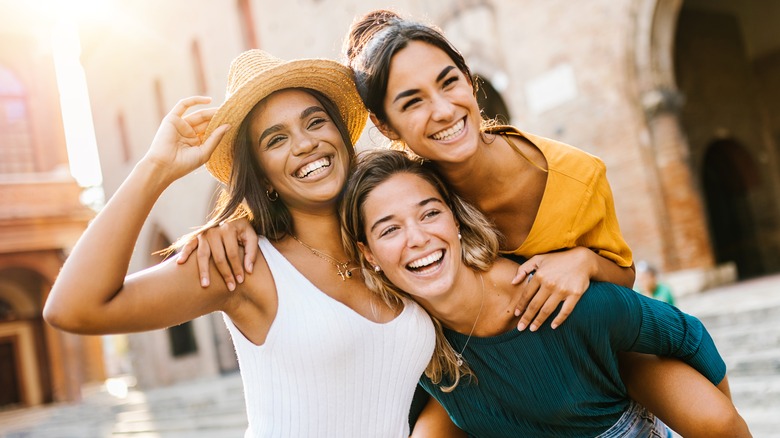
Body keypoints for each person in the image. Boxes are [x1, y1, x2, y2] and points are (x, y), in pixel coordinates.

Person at [186, 9, 749, 436]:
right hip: (470, 366)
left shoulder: (574, 176)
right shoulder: (408, 184)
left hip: (584, 353)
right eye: (411, 101)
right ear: (388, 127)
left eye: (449, 82)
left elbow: (625, 287)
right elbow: (318, 196)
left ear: (468, 80)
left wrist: (582, 261)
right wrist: (239, 223)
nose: (441, 111)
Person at [42, 50, 450, 438]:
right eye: (275, 140)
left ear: (341, 135)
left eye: (315, 122)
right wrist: (156, 168)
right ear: (263, 176)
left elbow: (450, 372)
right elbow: (73, 308)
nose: (305, 144)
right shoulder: (243, 265)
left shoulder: (395, 245)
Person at [340, 148, 751, 437]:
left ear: (455, 220)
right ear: (368, 254)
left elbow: (685, 335)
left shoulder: (550, 298)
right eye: (389, 229)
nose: (417, 238)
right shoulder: (404, 336)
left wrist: (715, 417)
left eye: (429, 213)